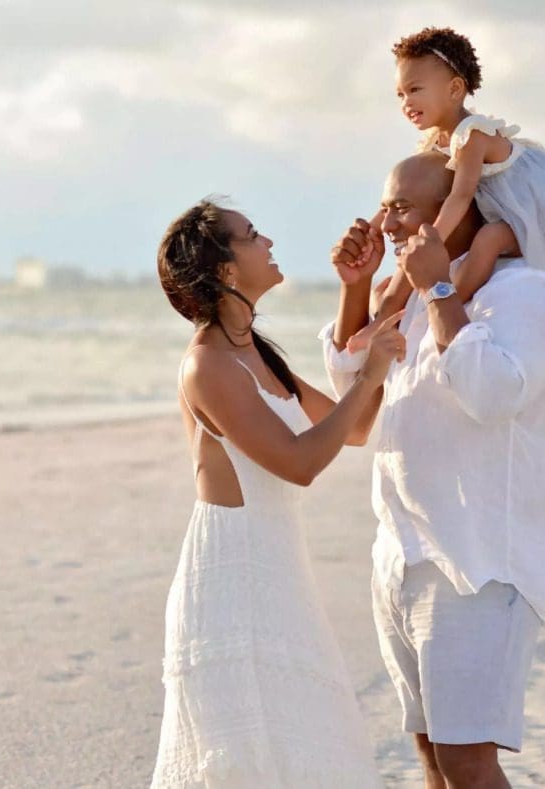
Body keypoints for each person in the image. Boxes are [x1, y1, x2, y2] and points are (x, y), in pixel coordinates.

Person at [322, 151, 545, 788]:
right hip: (403, 554)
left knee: (468, 761)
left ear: (463, 214)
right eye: (385, 204)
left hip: (479, 564)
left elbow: (492, 393)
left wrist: (439, 289)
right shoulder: (408, 294)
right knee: (432, 753)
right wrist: (358, 286)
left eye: (403, 207)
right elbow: (356, 397)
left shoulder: (527, 292)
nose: (386, 221)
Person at [150, 200, 400, 787]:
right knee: (248, 761)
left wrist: (359, 290)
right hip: (231, 580)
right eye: (252, 234)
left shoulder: (256, 353)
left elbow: (356, 427)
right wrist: (369, 375)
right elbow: (301, 463)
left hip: (277, 572)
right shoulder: (207, 366)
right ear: (226, 271)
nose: (268, 240)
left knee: (309, 745)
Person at [347, 26, 545, 353]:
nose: (406, 102)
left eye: (415, 89)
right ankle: (385, 318)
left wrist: (430, 238)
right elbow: (403, 199)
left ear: (455, 89)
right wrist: (371, 228)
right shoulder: (435, 141)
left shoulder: (472, 136)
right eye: (400, 94)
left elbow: (460, 197)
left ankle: (451, 302)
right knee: (409, 257)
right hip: (494, 210)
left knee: (487, 240)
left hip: (525, 213)